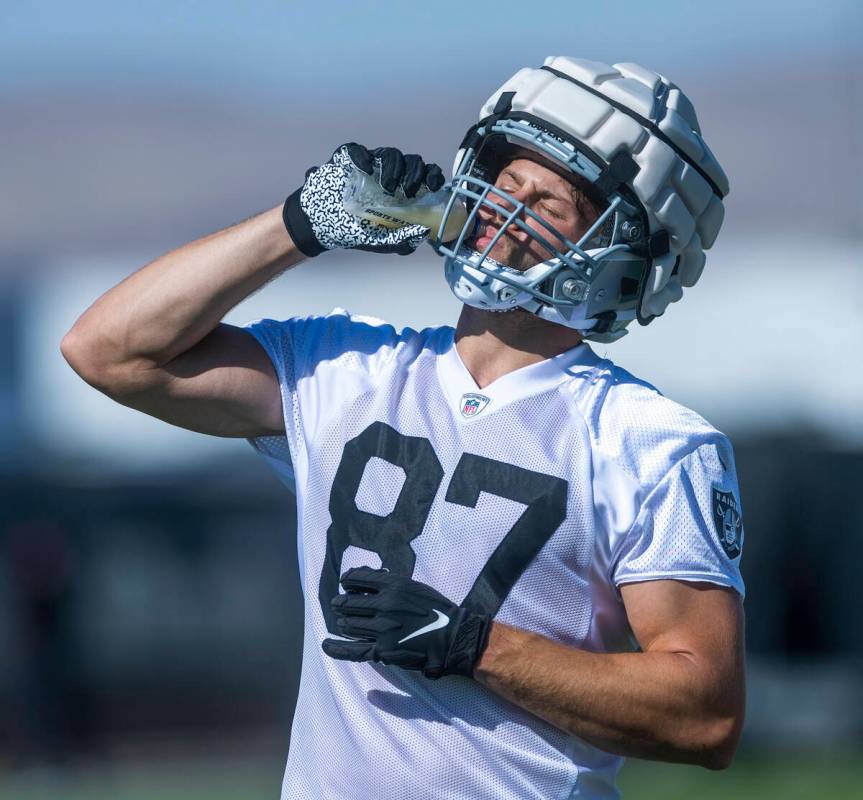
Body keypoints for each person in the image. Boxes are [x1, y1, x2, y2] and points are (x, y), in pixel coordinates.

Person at [61, 57, 745, 799]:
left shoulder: (648, 440)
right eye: (503, 179)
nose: (501, 208)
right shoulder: (349, 367)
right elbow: (107, 351)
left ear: (621, 256)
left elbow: (703, 715)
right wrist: (300, 224)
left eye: (546, 201)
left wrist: (477, 646)